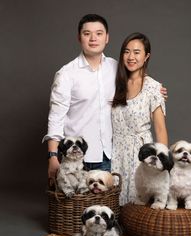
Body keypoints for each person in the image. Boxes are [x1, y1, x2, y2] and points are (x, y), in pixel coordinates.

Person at [43, 14, 167, 185]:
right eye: (87, 34)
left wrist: (155, 90)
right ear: (79, 37)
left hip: (110, 156)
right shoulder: (66, 74)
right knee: (78, 209)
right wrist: (52, 156)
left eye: (99, 33)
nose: (93, 38)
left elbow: (136, 77)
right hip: (77, 158)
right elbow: (56, 118)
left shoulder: (116, 68)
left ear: (107, 38)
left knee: (107, 210)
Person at [111, 32, 168, 206]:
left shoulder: (153, 87)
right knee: (114, 203)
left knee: (138, 204)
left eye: (137, 52)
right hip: (116, 151)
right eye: (126, 52)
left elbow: (160, 129)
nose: (131, 57)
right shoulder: (115, 82)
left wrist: (163, 164)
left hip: (139, 152)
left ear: (146, 56)